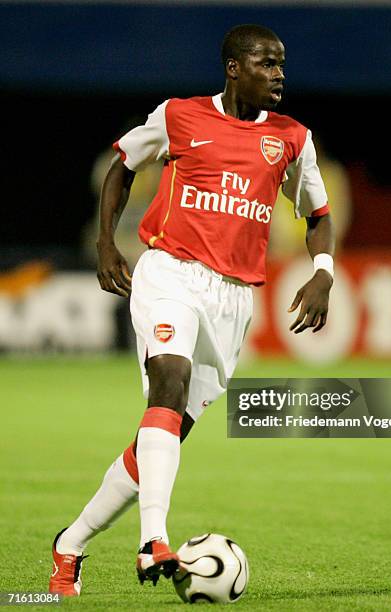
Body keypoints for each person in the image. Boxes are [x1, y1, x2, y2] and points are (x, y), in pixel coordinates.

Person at [49, 24, 335, 597]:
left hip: (233, 301)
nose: (279, 74)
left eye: (282, 65)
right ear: (234, 67)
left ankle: (70, 543)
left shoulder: (292, 139)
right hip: (170, 272)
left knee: (161, 438)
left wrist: (323, 273)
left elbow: (318, 214)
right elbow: (124, 165)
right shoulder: (179, 115)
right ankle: (153, 540)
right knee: (168, 382)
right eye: (266, 63)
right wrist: (107, 241)